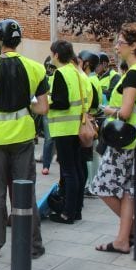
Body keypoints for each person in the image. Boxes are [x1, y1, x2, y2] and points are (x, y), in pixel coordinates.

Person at [0, 19, 47, 259]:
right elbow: (43, 108)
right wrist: (27, 105)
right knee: (26, 192)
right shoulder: (36, 68)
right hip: (24, 139)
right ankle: (33, 246)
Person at [90, 25, 136, 254]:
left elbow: (126, 111)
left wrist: (108, 109)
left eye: (120, 43)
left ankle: (133, 230)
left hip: (125, 140)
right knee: (129, 192)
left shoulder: (135, 73)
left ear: (134, 46)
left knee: (101, 186)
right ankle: (123, 239)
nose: (116, 47)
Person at [47, 40, 88, 224]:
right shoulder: (77, 73)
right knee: (77, 170)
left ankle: (67, 213)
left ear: (56, 55)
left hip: (64, 129)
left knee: (69, 172)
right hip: (76, 128)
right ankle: (76, 210)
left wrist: (46, 102)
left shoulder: (60, 74)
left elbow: (61, 102)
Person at [78, 50, 103, 198]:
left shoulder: (89, 80)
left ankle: (92, 185)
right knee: (93, 155)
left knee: (90, 157)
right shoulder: (93, 79)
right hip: (93, 120)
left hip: (89, 120)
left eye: (80, 60)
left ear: (86, 64)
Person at [40, 56, 57, 176]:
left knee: (57, 139)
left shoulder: (61, 75)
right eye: (49, 67)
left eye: (52, 67)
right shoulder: (44, 77)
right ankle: (46, 165)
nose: (50, 69)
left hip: (59, 112)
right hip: (48, 111)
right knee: (49, 139)